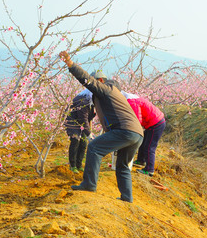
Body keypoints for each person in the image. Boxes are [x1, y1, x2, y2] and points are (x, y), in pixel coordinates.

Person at [59, 51, 144, 203]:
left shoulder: (106, 89)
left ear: (100, 81)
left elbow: (87, 80)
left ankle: (89, 184)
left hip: (124, 130)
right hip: (137, 134)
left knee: (94, 148)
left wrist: (71, 65)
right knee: (123, 165)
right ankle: (127, 198)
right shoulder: (114, 93)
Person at [121, 91, 166, 177]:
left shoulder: (132, 102)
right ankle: (141, 160)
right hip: (152, 122)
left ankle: (149, 170)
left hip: (156, 123)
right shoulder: (131, 99)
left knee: (149, 147)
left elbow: (137, 120)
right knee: (143, 142)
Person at [64, 88, 95, 173]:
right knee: (75, 140)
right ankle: (72, 165)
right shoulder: (84, 101)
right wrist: (89, 134)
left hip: (82, 123)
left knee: (83, 142)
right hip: (72, 121)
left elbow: (89, 119)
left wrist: (90, 132)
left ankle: (79, 165)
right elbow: (83, 119)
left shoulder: (93, 103)